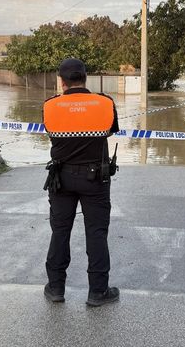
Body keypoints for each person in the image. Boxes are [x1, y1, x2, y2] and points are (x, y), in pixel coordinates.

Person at [41, 58, 120, 307]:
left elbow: (51, 132)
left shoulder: (51, 106)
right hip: (95, 178)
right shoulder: (105, 103)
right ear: (86, 78)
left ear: (62, 81)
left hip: (61, 179)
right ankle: (97, 292)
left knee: (60, 231)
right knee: (96, 232)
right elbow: (110, 130)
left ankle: (56, 289)